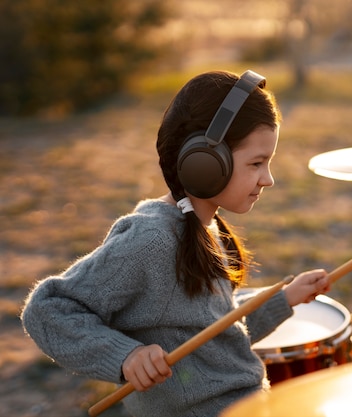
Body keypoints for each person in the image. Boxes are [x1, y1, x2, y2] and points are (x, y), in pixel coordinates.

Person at [21, 70, 330, 417]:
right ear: (206, 163)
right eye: (257, 163)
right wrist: (125, 355)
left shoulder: (203, 226)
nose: (268, 179)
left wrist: (282, 300)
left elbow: (212, 337)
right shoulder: (151, 240)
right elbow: (47, 310)